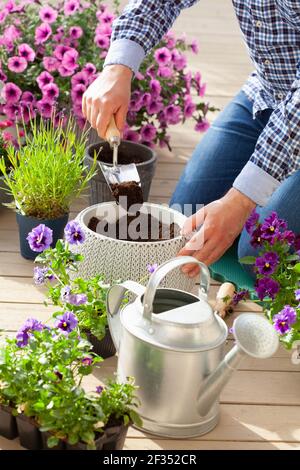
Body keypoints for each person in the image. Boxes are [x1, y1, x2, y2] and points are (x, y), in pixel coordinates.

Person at [82, 1, 300, 278]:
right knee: (187, 221)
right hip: (268, 91)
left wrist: (240, 201)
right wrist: (117, 69)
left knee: (256, 254)